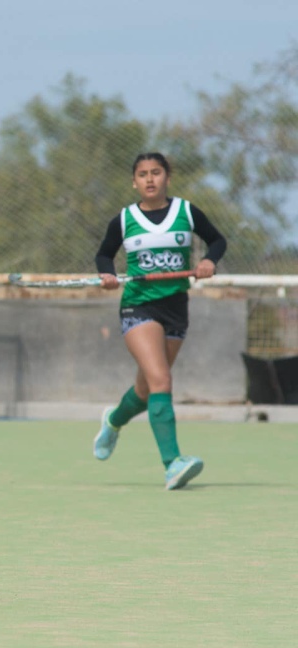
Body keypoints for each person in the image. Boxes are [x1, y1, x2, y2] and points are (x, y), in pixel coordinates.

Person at [92, 152, 227, 490]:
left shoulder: (186, 211)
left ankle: (114, 419)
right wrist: (107, 274)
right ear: (134, 181)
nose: (149, 179)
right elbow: (104, 253)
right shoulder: (124, 219)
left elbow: (217, 240)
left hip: (176, 308)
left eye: (156, 172)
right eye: (142, 174)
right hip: (139, 306)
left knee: (145, 390)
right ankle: (172, 464)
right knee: (162, 380)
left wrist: (209, 261)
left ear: (168, 177)